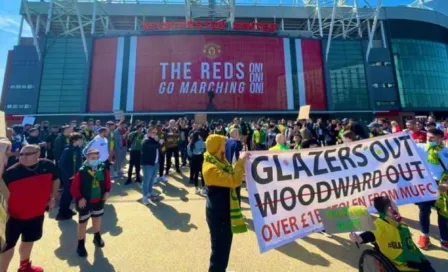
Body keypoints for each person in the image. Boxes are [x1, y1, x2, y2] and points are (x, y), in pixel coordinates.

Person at [1, 145, 60, 272]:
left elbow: (56, 180)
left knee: (29, 241)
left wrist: (52, 198)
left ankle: (24, 267)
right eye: (21, 154)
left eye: (27, 154)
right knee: (7, 247)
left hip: (36, 215)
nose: (22, 157)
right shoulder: (11, 173)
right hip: (13, 218)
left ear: (38, 154)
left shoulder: (48, 166)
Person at [350, 196, 434, 271]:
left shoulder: (396, 219)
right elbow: (371, 234)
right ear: (390, 208)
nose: (396, 206)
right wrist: (359, 238)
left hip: (418, 258)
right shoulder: (380, 224)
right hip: (406, 265)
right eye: (394, 204)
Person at [203, 135, 248, 272]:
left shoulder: (220, 160)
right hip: (219, 214)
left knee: (224, 246)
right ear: (216, 146)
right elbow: (233, 181)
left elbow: (232, 174)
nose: (225, 146)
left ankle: (221, 269)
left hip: (224, 211)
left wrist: (240, 170)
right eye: (223, 144)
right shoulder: (210, 168)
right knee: (219, 249)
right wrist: (240, 161)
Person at [70, 149, 111, 257]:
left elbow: (107, 181)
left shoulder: (102, 168)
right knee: (83, 224)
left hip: (99, 200)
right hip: (85, 202)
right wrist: (79, 198)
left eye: (97, 158)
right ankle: (81, 244)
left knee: (97, 218)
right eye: (93, 158)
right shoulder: (82, 171)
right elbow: (74, 187)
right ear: (87, 159)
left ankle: (97, 237)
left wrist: (107, 191)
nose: (95, 160)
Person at [415, 128, 448, 250]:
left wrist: (446, 184)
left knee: (443, 213)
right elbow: (400, 147)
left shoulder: (446, 152)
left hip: (441, 185)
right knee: (424, 211)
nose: (429, 139)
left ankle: (444, 239)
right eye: (428, 136)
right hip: (425, 184)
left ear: (440, 139)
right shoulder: (420, 147)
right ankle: (424, 235)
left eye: (433, 138)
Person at [56, 133, 83, 221]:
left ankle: (67, 209)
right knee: (67, 194)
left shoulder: (78, 149)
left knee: (71, 193)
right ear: (74, 140)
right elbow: (61, 164)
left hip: (75, 175)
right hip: (69, 176)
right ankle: (61, 213)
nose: (81, 141)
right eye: (79, 139)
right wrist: (70, 174)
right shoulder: (68, 150)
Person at [140, 126, 162, 204]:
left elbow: (158, 148)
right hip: (147, 164)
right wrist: (158, 143)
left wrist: (157, 142)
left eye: (156, 132)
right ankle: (145, 197)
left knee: (152, 179)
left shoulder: (154, 141)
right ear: (149, 133)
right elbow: (154, 146)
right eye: (153, 132)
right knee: (146, 180)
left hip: (155, 163)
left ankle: (150, 192)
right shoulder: (145, 141)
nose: (155, 134)